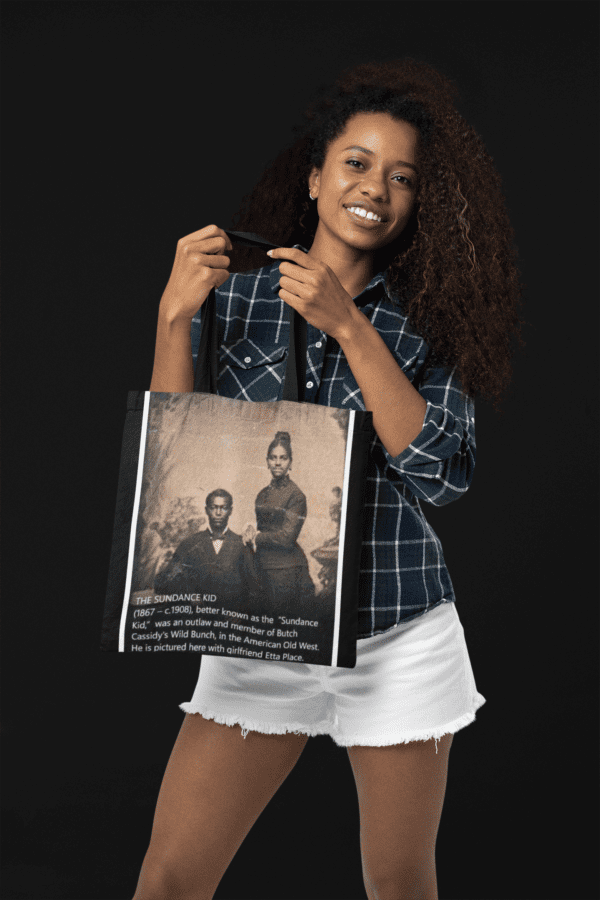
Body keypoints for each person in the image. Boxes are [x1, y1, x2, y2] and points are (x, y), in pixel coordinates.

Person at [133, 57, 526, 900]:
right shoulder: (232, 297)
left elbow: (441, 473)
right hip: (263, 628)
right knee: (169, 880)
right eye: (356, 163)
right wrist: (173, 316)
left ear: (418, 202)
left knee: (398, 885)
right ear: (314, 178)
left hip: (396, 633)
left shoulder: (428, 319)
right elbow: (177, 452)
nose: (375, 188)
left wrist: (350, 328)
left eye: (402, 178)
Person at [241, 430, 316, 616]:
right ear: (267, 461)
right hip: (260, 566)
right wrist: (251, 531)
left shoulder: (296, 496)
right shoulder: (262, 494)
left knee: (279, 628)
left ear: (290, 462)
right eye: (273, 458)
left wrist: (258, 537)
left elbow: (286, 538)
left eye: (283, 458)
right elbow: (265, 526)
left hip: (286, 571)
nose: (277, 462)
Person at [153, 489, 263, 607]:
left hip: (230, 619)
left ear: (230, 511)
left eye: (223, 508)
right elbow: (161, 583)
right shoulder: (189, 544)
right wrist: (188, 595)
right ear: (206, 510)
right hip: (197, 619)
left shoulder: (242, 544)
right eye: (213, 507)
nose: (218, 513)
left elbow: (255, 588)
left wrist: (240, 616)